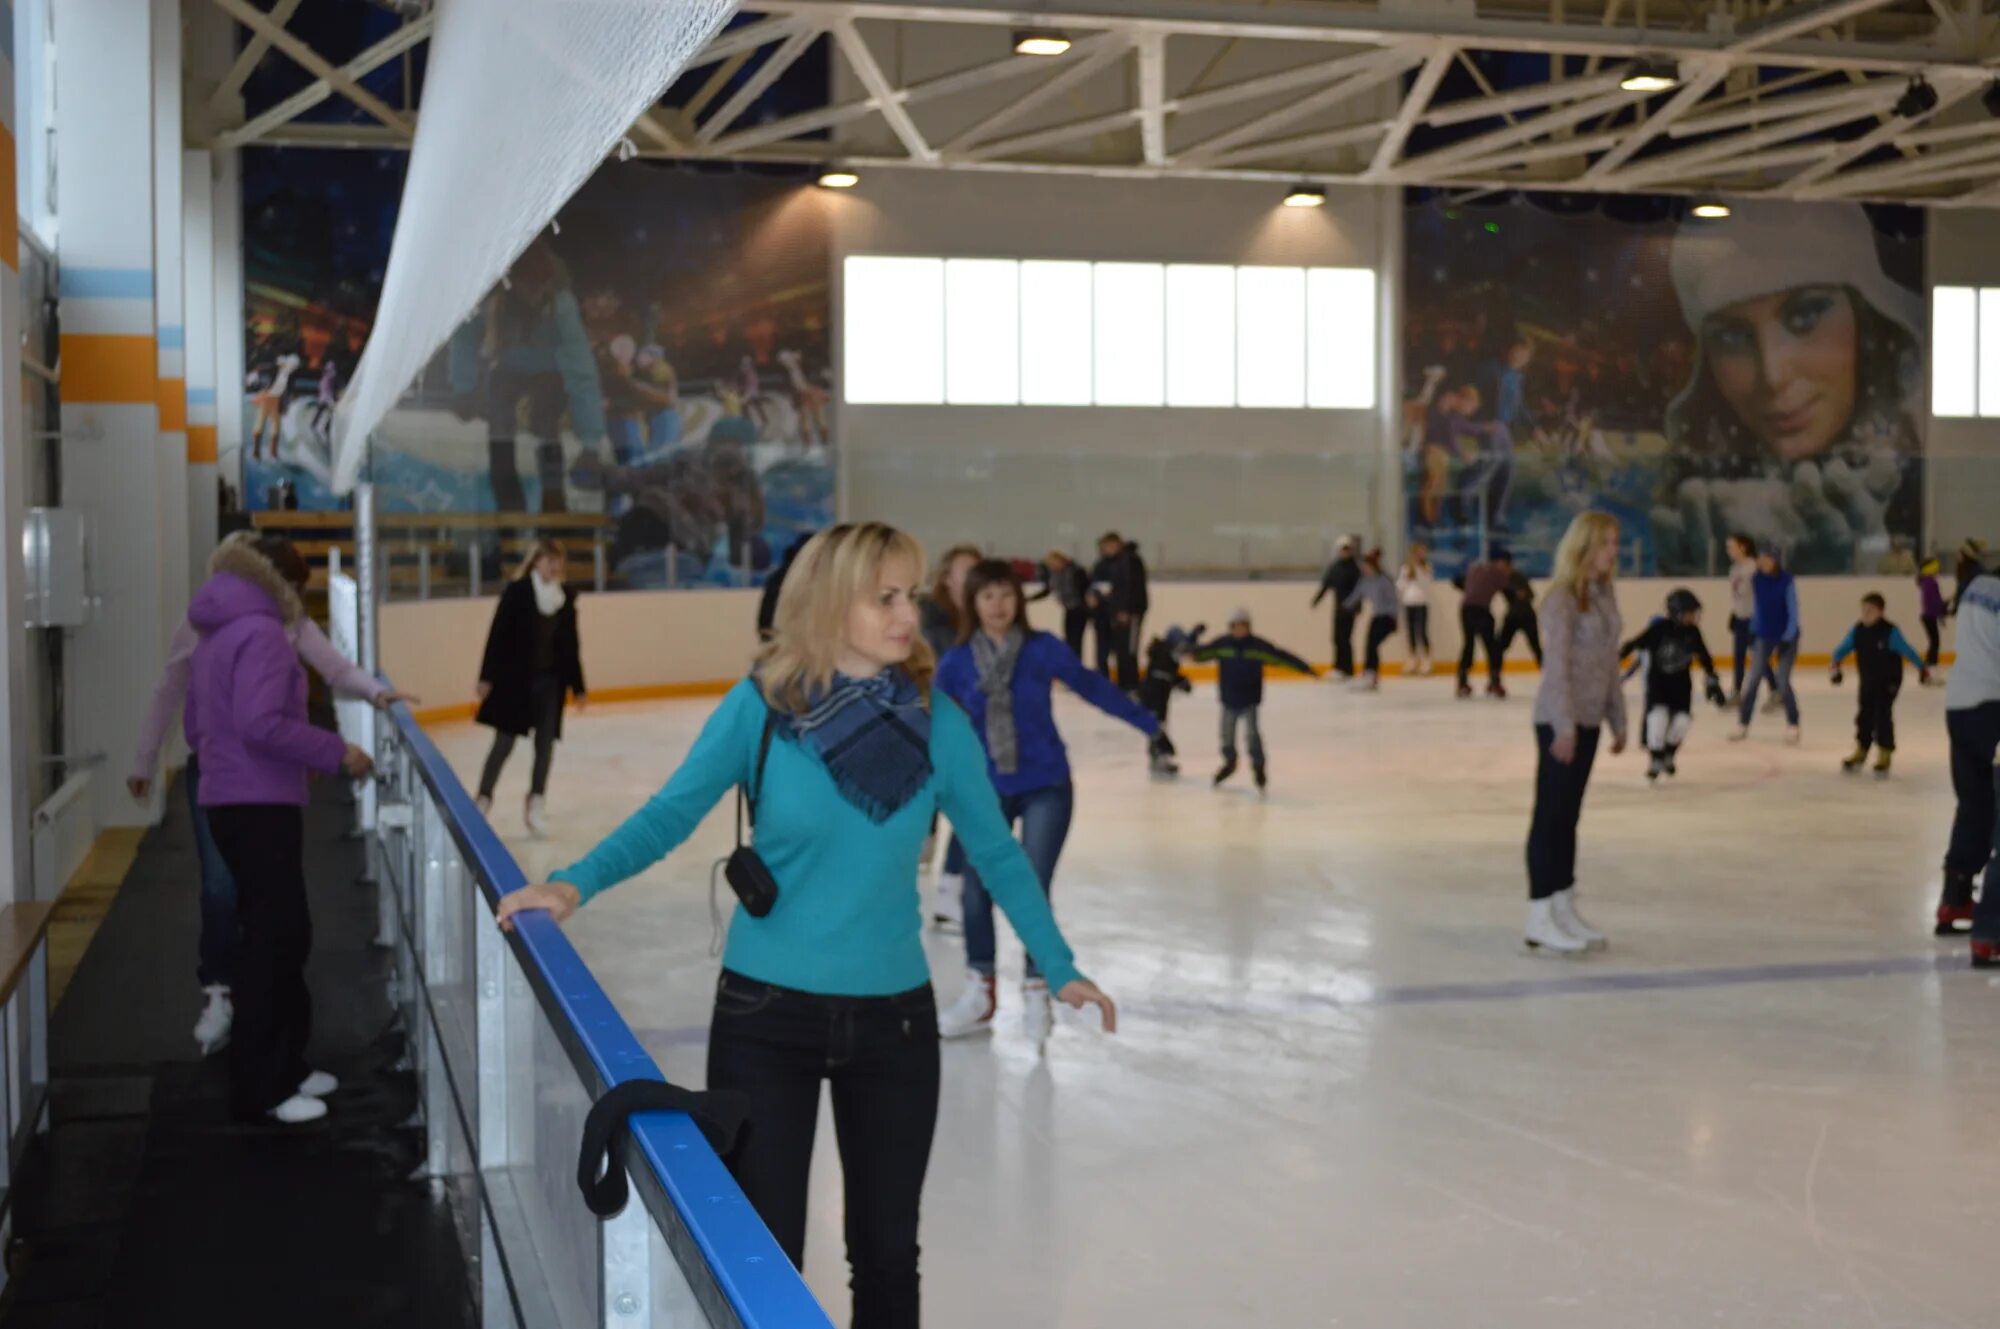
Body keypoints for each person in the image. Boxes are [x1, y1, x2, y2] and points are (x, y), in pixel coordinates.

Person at [493, 522, 1117, 1326]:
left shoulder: (939, 723)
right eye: (884, 595)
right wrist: (571, 884)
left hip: (893, 1025)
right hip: (765, 1018)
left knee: (888, 1255)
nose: (908, 613)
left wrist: (1058, 964)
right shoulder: (760, 710)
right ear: (829, 601)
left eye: (913, 595)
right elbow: (671, 813)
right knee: (760, 1251)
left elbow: (997, 854)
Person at [128, 532, 416, 1057]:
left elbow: (333, 667)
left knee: (270, 909)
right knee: (231, 893)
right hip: (233, 778)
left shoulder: (283, 622)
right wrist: (144, 759)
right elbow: (174, 689)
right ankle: (223, 996)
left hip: (261, 778)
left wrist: (376, 692)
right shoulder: (223, 625)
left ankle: (261, 1031)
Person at [185, 535, 374, 1123]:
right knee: (276, 937)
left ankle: (283, 1064)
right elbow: (261, 723)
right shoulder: (262, 633)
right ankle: (263, 1082)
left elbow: (197, 723)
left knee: (278, 932)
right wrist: (335, 751)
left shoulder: (222, 629)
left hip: (235, 797)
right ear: (284, 584)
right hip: (256, 802)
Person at [933, 560, 1159, 1042]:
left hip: (1045, 784)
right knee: (975, 890)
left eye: (1007, 594)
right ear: (972, 603)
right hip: (986, 789)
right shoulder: (955, 664)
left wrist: (1146, 723)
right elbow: (932, 726)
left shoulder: (1041, 650)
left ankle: (1038, 986)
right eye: (988, 595)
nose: (999, 605)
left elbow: (1091, 685)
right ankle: (980, 989)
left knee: (1032, 883)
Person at [1657, 201, 1925, 574]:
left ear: (1867, 320)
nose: (1773, 374)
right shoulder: (1688, 505)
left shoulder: (1930, 485)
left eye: (1806, 315)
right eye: (1733, 336)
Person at [1525, 511, 1627, 956]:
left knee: (1569, 818)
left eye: (1614, 543)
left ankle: (1563, 906)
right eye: (1606, 543)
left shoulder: (1603, 595)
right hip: (1559, 721)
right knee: (1550, 817)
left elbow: (1609, 663)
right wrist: (1563, 726)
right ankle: (1540, 913)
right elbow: (1556, 671)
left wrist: (1617, 717)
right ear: (1584, 545)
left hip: (1586, 721)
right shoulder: (1561, 599)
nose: (1613, 551)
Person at [474, 539, 587, 837]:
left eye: (557, 560)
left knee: (545, 745)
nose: (553, 565)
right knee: (503, 743)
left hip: (550, 684)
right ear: (535, 561)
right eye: (547, 559)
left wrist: (578, 687)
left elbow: (571, 647)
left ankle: (536, 800)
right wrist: (486, 677)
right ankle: (483, 797)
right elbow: (497, 636)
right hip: (515, 682)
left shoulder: (565, 599)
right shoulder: (518, 592)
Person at [1190, 610, 1319, 792]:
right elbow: (1200, 655)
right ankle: (1230, 763)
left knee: (1252, 736)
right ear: (1231, 627)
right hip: (1228, 700)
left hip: (1249, 700)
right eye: (1236, 626)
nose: (1240, 630)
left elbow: (1280, 657)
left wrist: (1304, 667)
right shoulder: (1223, 645)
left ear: (1249, 627)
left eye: (1244, 626)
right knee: (1226, 736)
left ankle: (1258, 767)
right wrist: (1192, 641)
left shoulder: (1257, 647)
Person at [1943, 557, 2000, 943]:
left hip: (1959, 704)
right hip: (1993, 706)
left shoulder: (1977, 587)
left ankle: (1955, 898)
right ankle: (1992, 925)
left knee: (1975, 803)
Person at [1619, 589, 1724, 783]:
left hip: (1681, 688)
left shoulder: (1693, 633)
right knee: (1657, 721)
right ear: (1676, 612)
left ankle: (1668, 754)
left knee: (1682, 722)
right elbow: (1635, 644)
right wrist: (1617, 659)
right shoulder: (1660, 629)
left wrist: (1712, 678)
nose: (1694, 617)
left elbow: (1704, 657)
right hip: (1658, 686)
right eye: (1690, 613)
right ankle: (1655, 759)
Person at [1828, 592, 1930, 778]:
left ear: (1881, 612)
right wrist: (1835, 663)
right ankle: (1862, 748)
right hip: (1867, 680)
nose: (1866, 614)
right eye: (1864, 610)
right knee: (1864, 713)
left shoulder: (1889, 631)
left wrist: (1922, 668)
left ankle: (1885, 751)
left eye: (1871, 610)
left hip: (1889, 681)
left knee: (1882, 713)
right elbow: (1843, 648)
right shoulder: (1858, 630)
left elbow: (1907, 650)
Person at [1730, 547, 1801, 744]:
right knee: (1753, 681)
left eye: (1766, 559)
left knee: (1782, 680)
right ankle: (1742, 724)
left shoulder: (1786, 580)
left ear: (1774, 560)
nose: (1762, 562)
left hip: (1787, 636)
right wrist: (1753, 630)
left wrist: (1788, 634)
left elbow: (1793, 609)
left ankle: (1793, 724)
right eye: (1760, 559)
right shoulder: (1757, 579)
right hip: (1764, 635)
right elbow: (1756, 607)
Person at [1138, 625, 1203, 775]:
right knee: (1156, 727)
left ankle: (1159, 757)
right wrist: (1180, 681)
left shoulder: (1165, 654)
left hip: (1160, 696)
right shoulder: (1163, 653)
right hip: (1153, 696)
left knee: (1159, 726)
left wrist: (1193, 635)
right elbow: (1169, 671)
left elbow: (1171, 671)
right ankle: (1158, 758)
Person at [1088, 532, 1147, 691]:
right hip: (1117, 612)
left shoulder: (1130, 561)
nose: (1104, 550)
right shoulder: (1110, 563)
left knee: (1128, 649)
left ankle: (1131, 684)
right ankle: (1124, 683)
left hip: (1130, 612)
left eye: (1107, 546)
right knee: (1121, 649)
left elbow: (1130, 587)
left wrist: (1125, 609)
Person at [1455, 548, 1512, 699]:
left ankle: (1462, 682)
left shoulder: (1477, 568)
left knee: (1468, 644)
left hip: (1466, 608)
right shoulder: (1500, 574)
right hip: (1481, 610)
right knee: (1492, 646)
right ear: (1504, 564)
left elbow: (1456, 580)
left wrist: (1469, 590)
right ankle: (1494, 682)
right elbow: (1509, 593)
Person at [1343, 550, 1400, 690]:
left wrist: (1395, 619)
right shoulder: (1364, 581)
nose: (1362, 568)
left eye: (1364, 566)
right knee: (1370, 645)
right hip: (1376, 617)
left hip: (1387, 617)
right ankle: (1370, 674)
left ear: (1371, 566)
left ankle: (1371, 674)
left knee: (1372, 644)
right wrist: (1344, 607)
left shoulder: (1384, 580)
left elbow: (1393, 600)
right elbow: (1356, 595)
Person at [1311, 537, 1362, 678]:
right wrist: (1317, 599)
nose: (1345, 552)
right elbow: (1326, 584)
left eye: (1348, 549)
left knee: (1345, 639)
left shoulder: (1354, 568)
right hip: (1338, 608)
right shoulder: (1335, 567)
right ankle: (1338, 667)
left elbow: (1359, 589)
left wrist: (1358, 606)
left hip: (1349, 609)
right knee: (1336, 638)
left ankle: (1348, 669)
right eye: (1343, 549)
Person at [1031, 550, 1092, 660]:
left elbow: (1084, 589)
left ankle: (1077, 667)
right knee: (1069, 641)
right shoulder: (1056, 575)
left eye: (1053, 564)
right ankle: (1072, 665)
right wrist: (1030, 599)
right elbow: (1048, 590)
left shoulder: (1075, 571)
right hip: (1069, 609)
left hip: (1079, 610)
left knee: (1076, 641)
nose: (1052, 567)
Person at [1724, 533, 1759, 701]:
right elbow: (1736, 595)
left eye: (1731, 546)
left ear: (1743, 547)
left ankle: (1775, 690)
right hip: (1740, 618)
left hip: (1753, 618)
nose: (1728, 550)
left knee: (1758, 655)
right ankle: (1737, 691)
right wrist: (1734, 613)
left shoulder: (1753, 567)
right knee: (1739, 656)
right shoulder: (1734, 569)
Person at [1495, 561, 1543, 670]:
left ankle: (1547, 673)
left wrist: (1522, 595)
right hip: (1513, 616)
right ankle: (1495, 676)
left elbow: (1531, 595)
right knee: (1500, 646)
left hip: (1526, 615)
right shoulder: (1502, 579)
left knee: (1535, 646)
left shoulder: (1518, 577)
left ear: (1508, 566)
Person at [1397, 544, 1435, 676]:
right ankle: (1412, 659)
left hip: (1421, 603)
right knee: (1411, 632)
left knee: (1422, 631)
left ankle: (1426, 660)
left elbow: (1427, 584)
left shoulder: (1426, 568)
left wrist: (1420, 573)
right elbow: (1400, 585)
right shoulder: (1406, 568)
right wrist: (1407, 578)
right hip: (1409, 603)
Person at [1917, 557, 1946, 675]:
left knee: (1934, 643)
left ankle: (1929, 668)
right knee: (1935, 643)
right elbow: (1934, 601)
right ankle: (1930, 668)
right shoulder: (1931, 583)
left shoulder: (1926, 582)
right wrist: (1942, 610)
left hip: (1928, 616)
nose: (1938, 571)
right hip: (1930, 616)